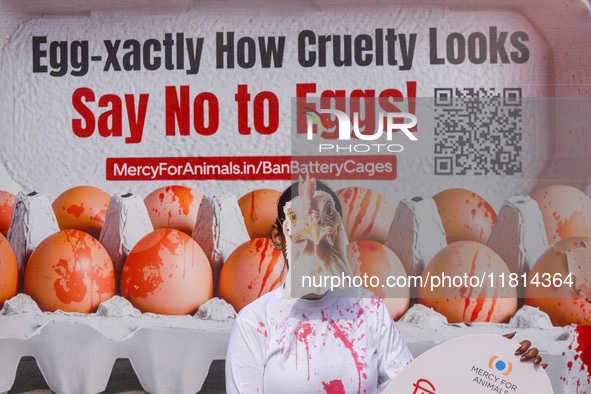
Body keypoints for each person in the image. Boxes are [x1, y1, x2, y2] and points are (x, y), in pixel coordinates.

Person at [225, 178, 544, 393]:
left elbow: (413, 386)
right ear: (279, 236)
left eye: (326, 222)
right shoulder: (254, 324)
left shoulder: (369, 313)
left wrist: (498, 359)